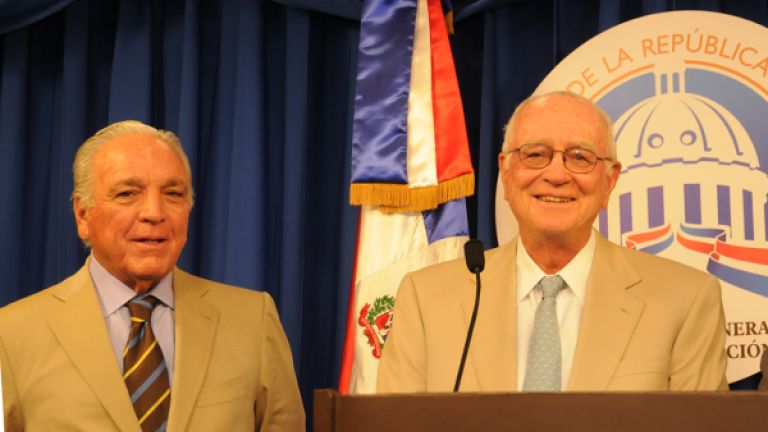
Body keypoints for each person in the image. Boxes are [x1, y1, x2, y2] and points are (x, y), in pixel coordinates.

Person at [377, 91, 727, 393]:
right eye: (535, 154)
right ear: (506, 171)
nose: (557, 175)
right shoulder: (427, 300)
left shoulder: (686, 300)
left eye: (580, 157)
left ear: (610, 180)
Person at [0, 121, 304, 431]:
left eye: (173, 194)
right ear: (83, 214)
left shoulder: (252, 320)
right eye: (127, 193)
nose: (154, 212)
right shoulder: (10, 335)